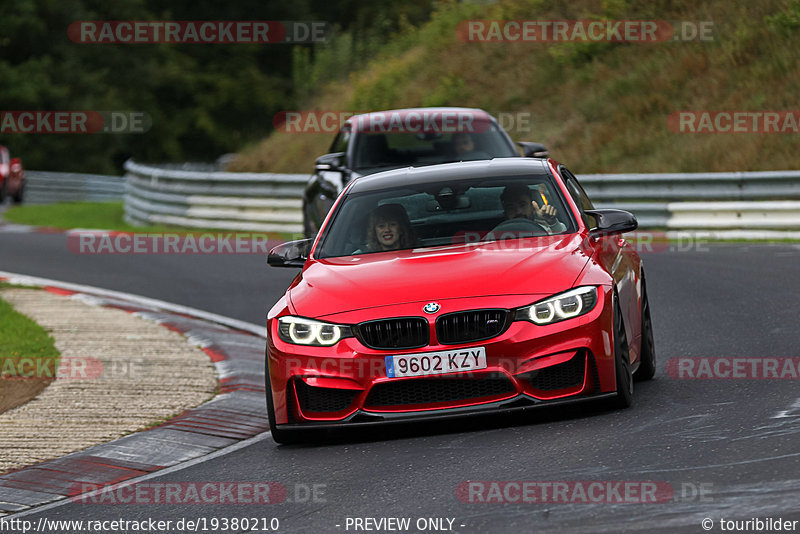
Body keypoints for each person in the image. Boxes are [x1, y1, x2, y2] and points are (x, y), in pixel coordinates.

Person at [499, 183, 567, 234]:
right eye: (511, 207)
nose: (518, 211)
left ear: (532, 207)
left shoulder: (546, 230)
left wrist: (552, 222)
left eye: (523, 205)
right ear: (505, 211)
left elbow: (566, 242)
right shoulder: (495, 235)